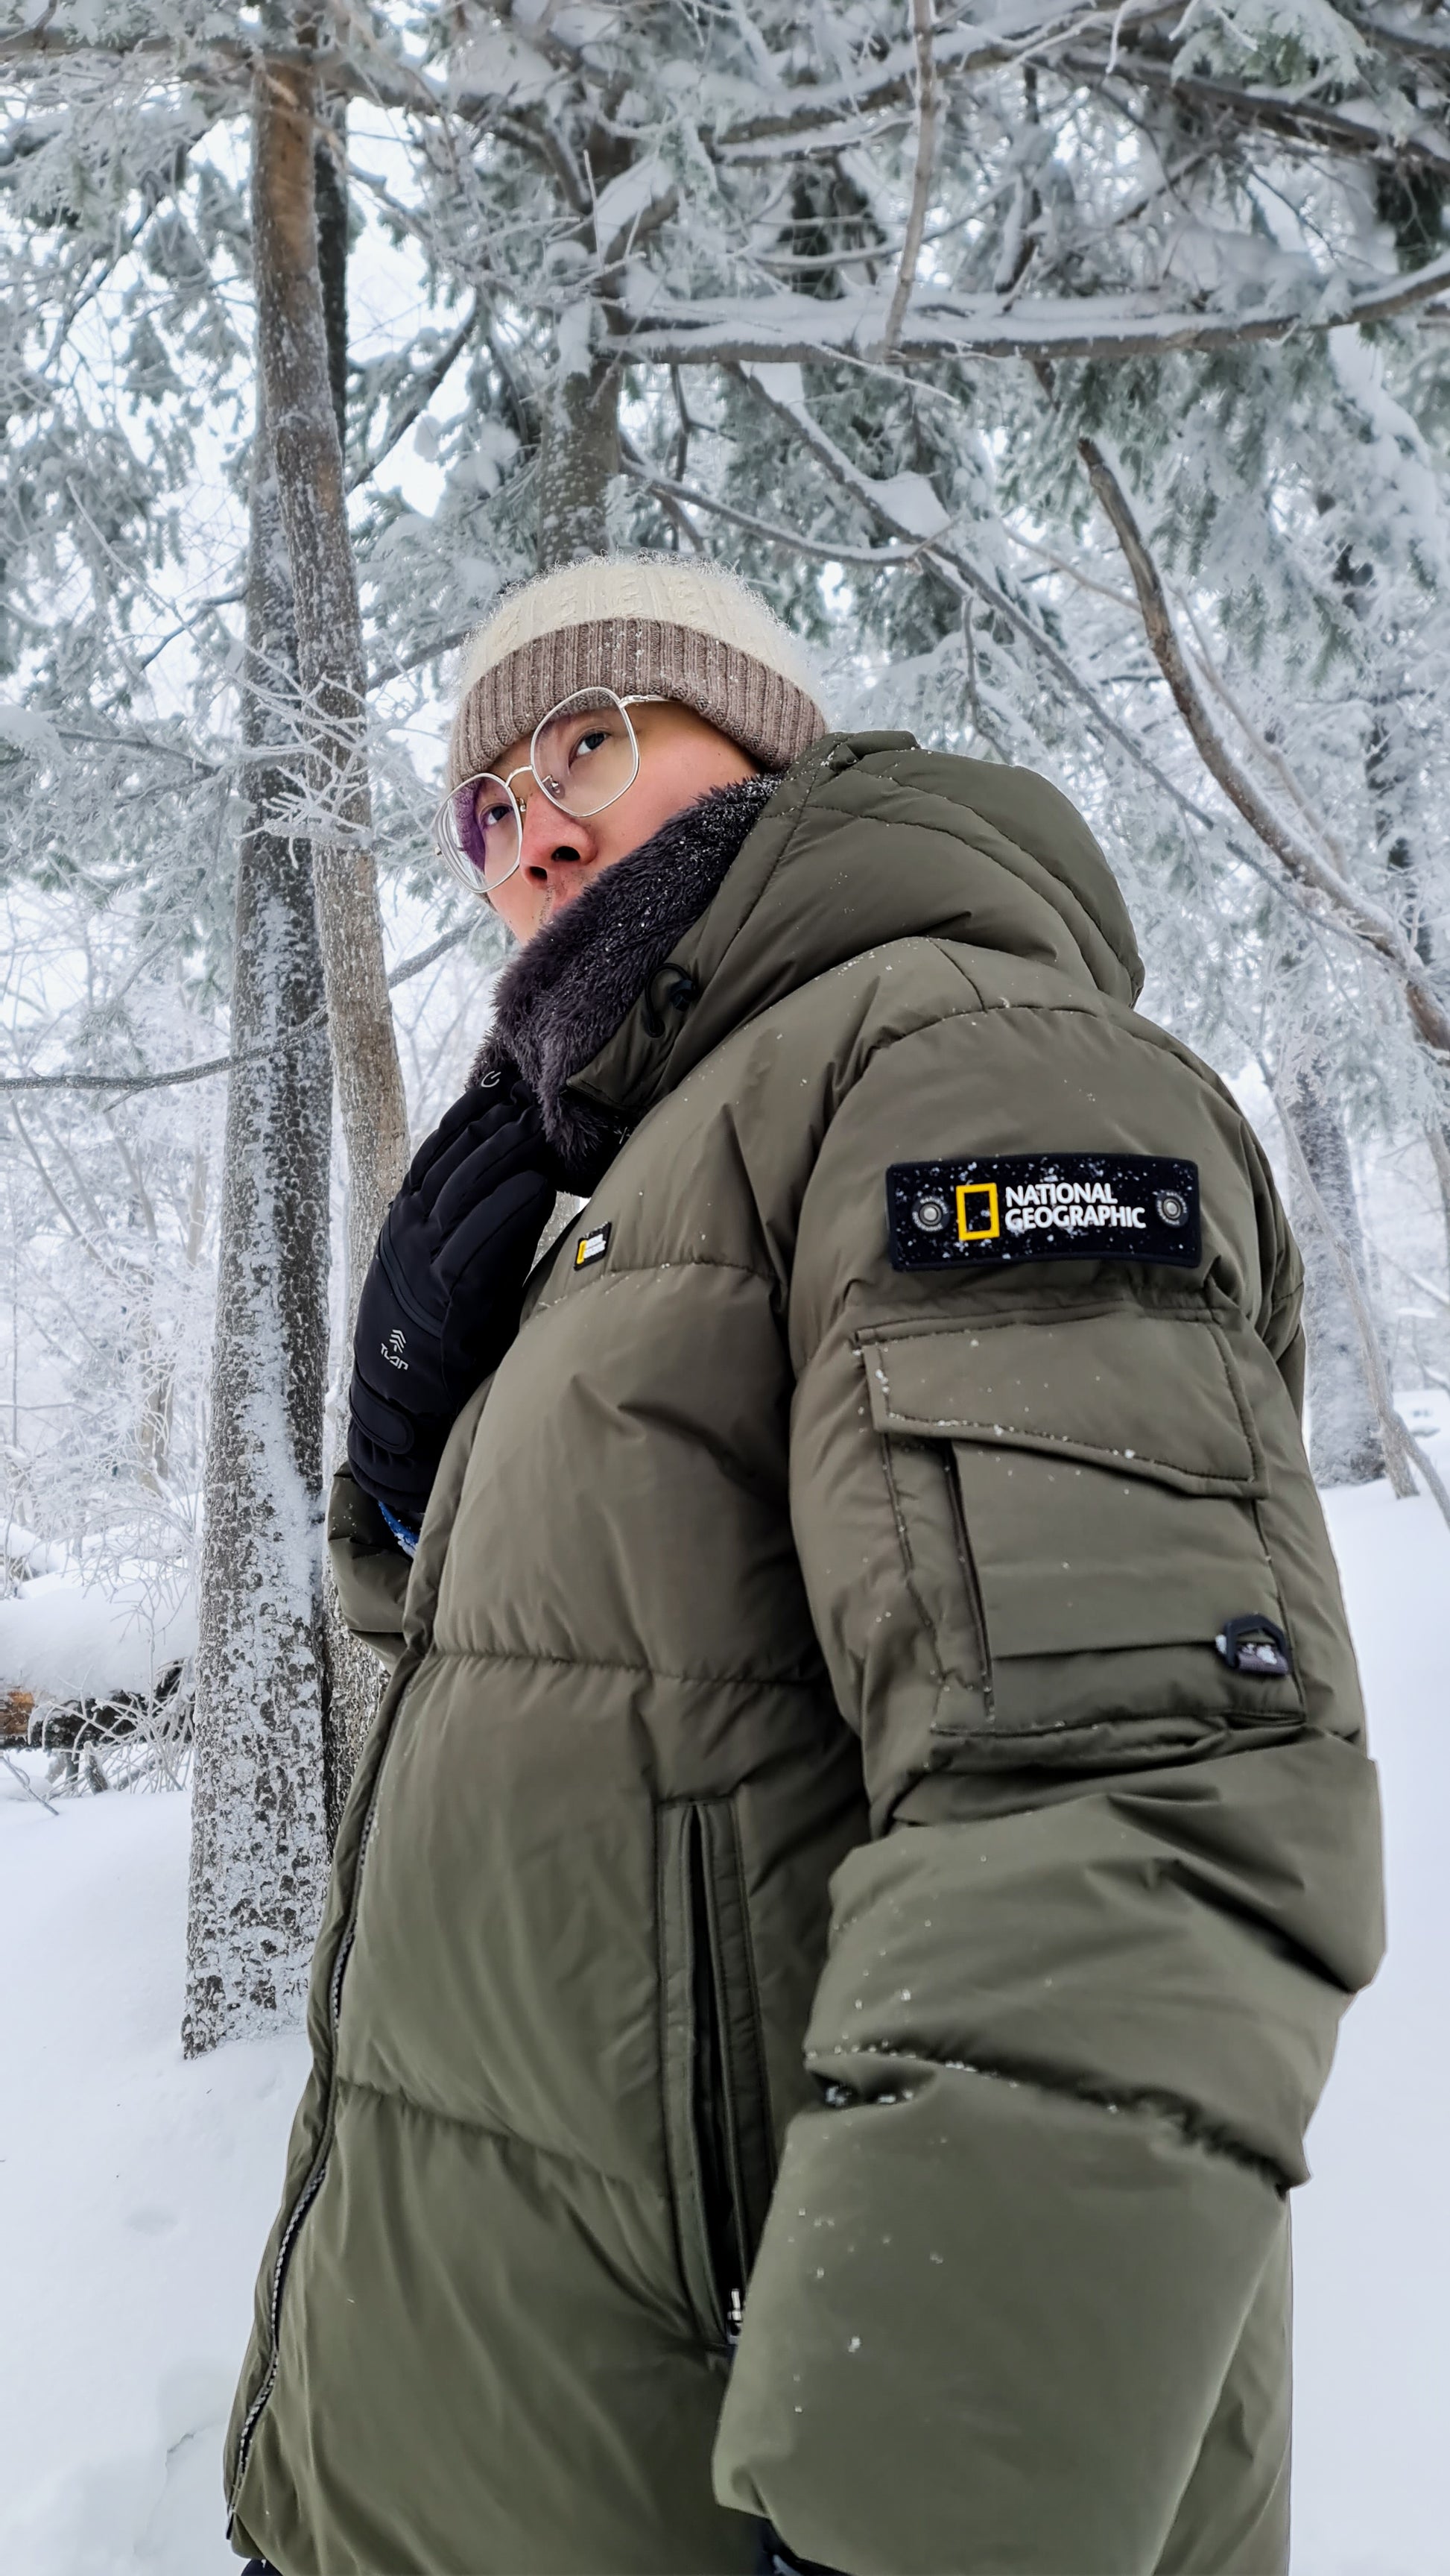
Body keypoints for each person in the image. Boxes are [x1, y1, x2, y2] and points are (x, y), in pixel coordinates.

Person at [226, 555, 1383, 2576]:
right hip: (487, 2470)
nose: (530, 837)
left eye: (589, 743)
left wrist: (910, 2516)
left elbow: (1132, 1799)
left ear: (766, 742)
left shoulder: (961, 1065)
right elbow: (610, 1715)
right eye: (483, 808)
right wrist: (411, 1497)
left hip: (748, 2501)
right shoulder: (625, 1187)